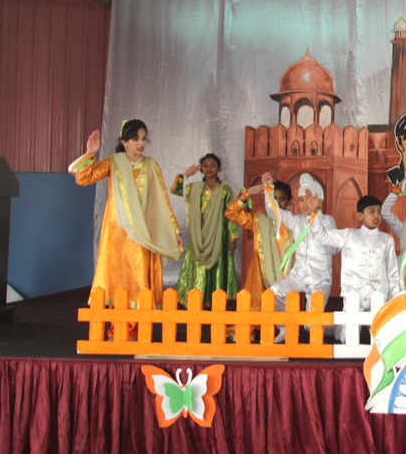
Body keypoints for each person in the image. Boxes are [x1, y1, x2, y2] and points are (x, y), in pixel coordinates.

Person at [71, 121, 182, 341]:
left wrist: (174, 230)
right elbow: (83, 178)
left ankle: (137, 331)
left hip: (142, 231)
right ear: (124, 142)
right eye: (135, 139)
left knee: (139, 279)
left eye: (143, 138)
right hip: (117, 231)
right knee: (118, 281)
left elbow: (162, 200)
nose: (141, 143)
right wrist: (90, 153)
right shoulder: (114, 162)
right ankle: (117, 330)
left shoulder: (151, 166)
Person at [306, 194, 401, 342]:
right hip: (353, 294)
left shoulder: (387, 240)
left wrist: (395, 297)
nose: (376, 215)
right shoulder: (349, 235)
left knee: (380, 340)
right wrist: (314, 212)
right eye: (371, 211)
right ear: (360, 215)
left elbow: (392, 272)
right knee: (349, 338)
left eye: (379, 211)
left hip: (379, 294)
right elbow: (321, 235)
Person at [260, 172, 336, 315]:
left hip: (319, 277)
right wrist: (269, 189)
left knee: (311, 325)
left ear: (319, 201)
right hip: (298, 275)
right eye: (301, 200)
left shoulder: (327, 221)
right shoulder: (296, 220)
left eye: (309, 199)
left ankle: (333, 328)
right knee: (276, 290)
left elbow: (333, 249)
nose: (305, 203)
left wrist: (315, 218)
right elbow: (275, 213)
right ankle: (283, 328)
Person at [170, 153, 238, 308]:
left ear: (219, 169)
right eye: (205, 165)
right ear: (201, 169)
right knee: (198, 267)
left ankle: (215, 301)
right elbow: (176, 190)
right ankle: (197, 299)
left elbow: (232, 214)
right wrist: (186, 175)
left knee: (216, 265)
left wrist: (232, 238)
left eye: (213, 165)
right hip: (198, 236)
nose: (209, 168)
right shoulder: (194, 188)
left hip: (217, 236)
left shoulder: (224, 190)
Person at [225, 181, 293, 309]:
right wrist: (248, 194)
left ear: (289, 202)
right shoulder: (258, 221)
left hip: (286, 277)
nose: (277, 203)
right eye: (273, 199)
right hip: (260, 274)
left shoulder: (295, 224)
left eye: (282, 199)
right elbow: (231, 213)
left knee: (288, 323)